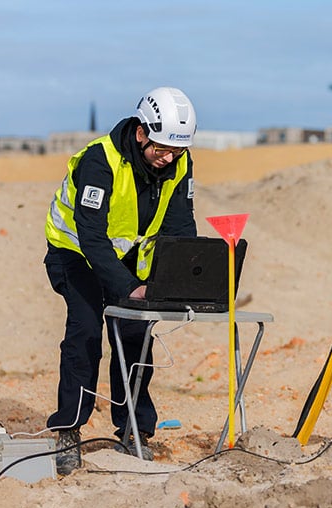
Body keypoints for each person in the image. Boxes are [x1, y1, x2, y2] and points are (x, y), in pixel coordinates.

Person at [44, 86, 198, 473]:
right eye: (162, 148)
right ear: (142, 132)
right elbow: (92, 237)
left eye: (175, 151)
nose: (168, 158)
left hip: (126, 258)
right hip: (75, 253)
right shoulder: (100, 160)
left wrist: (181, 277)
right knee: (84, 333)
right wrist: (130, 287)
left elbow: (180, 223)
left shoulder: (179, 161)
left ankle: (133, 428)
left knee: (135, 336)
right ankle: (67, 430)